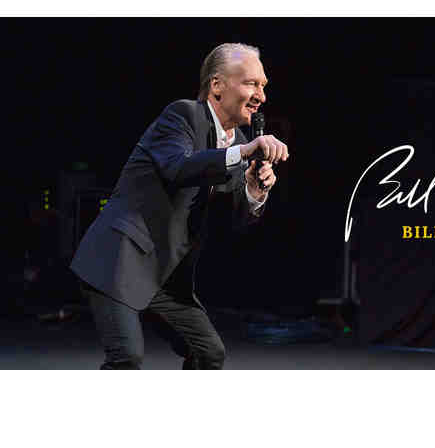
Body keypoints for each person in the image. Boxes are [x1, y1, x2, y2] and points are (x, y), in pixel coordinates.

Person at [70, 43, 289, 369]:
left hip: (165, 277)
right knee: (126, 358)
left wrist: (255, 190)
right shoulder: (183, 115)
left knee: (209, 353)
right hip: (120, 259)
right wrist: (242, 155)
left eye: (263, 86)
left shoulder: (241, 144)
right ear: (217, 86)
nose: (261, 96)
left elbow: (235, 221)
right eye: (251, 84)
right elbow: (178, 167)